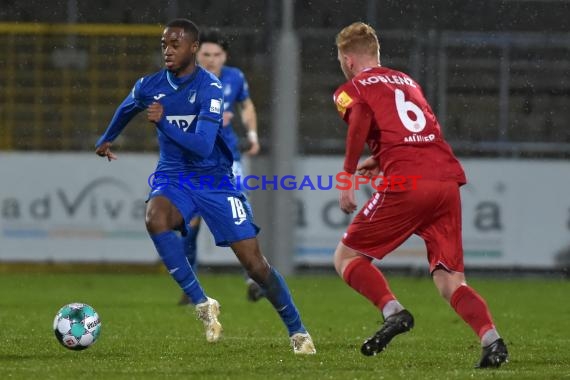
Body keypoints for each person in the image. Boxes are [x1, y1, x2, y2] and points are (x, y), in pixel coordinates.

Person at [94, 18, 315, 354]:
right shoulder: (149, 85)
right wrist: (107, 139)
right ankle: (201, 302)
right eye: (164, 45)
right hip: (174, 175)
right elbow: (127, 107)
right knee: (155, 218)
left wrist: (163, 120)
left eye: (175, 44)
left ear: (193, 48)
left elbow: (201, 145)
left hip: (215, 180)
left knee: (254, 265)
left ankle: (297, 330)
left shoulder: (210, 88)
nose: (168, 51)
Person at [332, 22, 508, 368]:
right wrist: (381, 158)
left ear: (348, 59)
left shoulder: (349, 89)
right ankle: (492, 341)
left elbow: (362, 117)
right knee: (450, 280)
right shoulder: (407, 81)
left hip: (407, 183)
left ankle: (393, 312)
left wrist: (348, 175)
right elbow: (423, 129)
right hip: (444, 179)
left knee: (347, 257)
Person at [178, 28, 265, 305]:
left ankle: (254, 277)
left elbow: (247, 106)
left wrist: (251, 135)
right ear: (196, 53)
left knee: (237, 215)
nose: (212, 59)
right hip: (192, 162)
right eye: (206, 54)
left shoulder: (234, 77)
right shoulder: (182, 78)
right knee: (189, 224)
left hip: (227, 161)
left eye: (217, 55)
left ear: (224, 56)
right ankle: (190, 284)